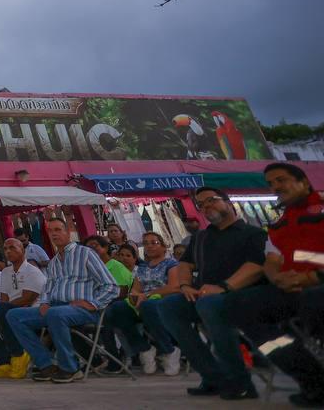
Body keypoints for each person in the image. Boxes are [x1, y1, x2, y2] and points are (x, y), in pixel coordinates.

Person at [141, 186, 267, 401]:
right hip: (204, 296)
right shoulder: (200, 237)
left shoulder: (253, 233)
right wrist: (185, 286)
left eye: (211, 200)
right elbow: (185, 265)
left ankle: (240, 382)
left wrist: (225, 287)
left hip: (242, 296)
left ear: (228, 202)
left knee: (209, 304)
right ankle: (212, 376)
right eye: (201, 204)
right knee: (167, 306)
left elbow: (256, 266)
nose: (206, 206)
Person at [226, 163, 324, 407]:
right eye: (271, 183)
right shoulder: (279, 223)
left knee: (313, 301)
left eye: (282, 180)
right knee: (239, 305)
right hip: (291, 287)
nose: (276, 187)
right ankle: (310, 376)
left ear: (303, 181)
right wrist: (277, 278)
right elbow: (271, 260)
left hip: (317, 286)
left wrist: (310, 277)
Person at [5, 216, 119, 383]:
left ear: (68, 233)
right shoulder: (53, 262)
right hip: (57, 309)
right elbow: (47, 289)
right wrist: (44, 302)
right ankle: (46, 365)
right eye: (50, 231)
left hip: (84, 309)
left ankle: (70, 368)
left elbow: (111, 286)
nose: (54, 234)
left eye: (58, 230)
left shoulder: (85, 253)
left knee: (55, 314)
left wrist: (93, 303)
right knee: (14, 315)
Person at [104, 231, 181, 375]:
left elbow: (174, 286)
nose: (150, 246)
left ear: (164, 247)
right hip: (143, 302)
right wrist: (136, 295)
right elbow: (135, 289)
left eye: (154, 242)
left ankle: (169, 350)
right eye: (146, 243)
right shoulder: (143, 268)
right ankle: (143, 349)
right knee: (115, 309)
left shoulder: (171, 263)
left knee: (148, 306)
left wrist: (147, 294)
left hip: (164, 301)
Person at [0, 237, 46, 379]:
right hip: (10, 309)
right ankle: (5, 362)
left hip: (31, 311)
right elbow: (4, 297)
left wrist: (1, 309)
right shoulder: (6, 272)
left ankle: (18, 356)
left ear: (22, 250)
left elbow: (27, 299)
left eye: (12, 248)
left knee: (4, 311)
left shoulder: (33, 271)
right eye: (5, 249)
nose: (8, 251)